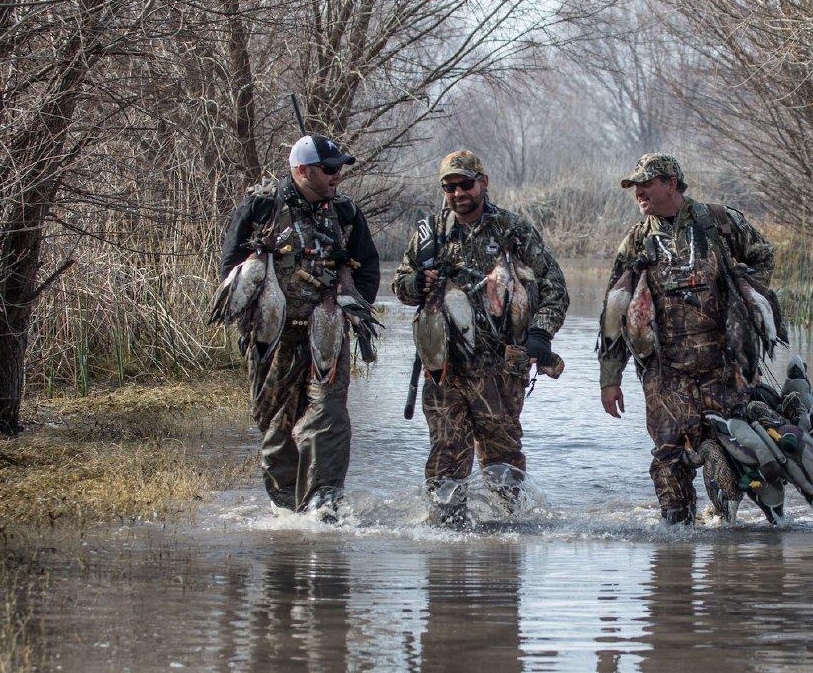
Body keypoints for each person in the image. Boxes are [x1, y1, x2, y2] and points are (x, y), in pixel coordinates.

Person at [393, 150, 569, 525]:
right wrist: (413, 283)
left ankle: (507, 532)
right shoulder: (430, 234)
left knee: (502, 453)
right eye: (449, 186)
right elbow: (401, 287)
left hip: (500, 368)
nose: (458, 193)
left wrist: (539, 336)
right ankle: (446, 531)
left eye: (465, 184)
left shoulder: (513, 230)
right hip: (443, 368)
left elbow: (555, 288)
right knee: (446, 449)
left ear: (483, 182)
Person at [597, 153, 774, 525]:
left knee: (733, 449)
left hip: (723, 365)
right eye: (634, 188)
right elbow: (615, 310)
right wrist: (610, 379)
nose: (639, 193)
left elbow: (764, 257)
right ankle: (675, 539)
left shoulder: (720, 221)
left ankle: (730, 534)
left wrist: (745, 288)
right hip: (665, 371)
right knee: (668, 454)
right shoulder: (636, 241)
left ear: (671, 184)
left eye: (646, 185)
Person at [220, 133, 380, 516]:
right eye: (328, 169)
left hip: (325, 333)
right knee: (275, 427)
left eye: (339, 169)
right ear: (301, 170)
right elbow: (229, 269)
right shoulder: (260, 208)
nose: (336, 175)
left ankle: (324, 501)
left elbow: (369, 268)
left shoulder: (345, 212)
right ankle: (289, 509)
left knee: (329, 415)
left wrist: (350, 307)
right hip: (272, 336)